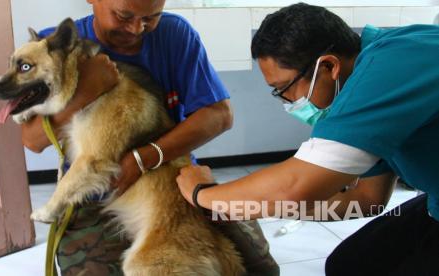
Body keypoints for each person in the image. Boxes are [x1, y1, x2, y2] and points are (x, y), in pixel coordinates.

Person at [177, 3, 439, 275]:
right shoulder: (365, 87)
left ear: (328, 66)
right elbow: (367, 197)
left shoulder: (392, 66)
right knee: (348, 264)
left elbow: (295, 185)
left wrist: (202, 194)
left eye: (284, 88)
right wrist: (252, 207)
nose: (287, 101)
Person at [21, 0, 279, 275]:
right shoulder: (57, 47)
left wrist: (146, 157)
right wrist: (88, 91)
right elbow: (33, 140)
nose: (136, 29)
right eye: (123, 15)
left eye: (151, 18)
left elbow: (219, 115)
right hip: (90, 188)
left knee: (260, 268)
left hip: (171, 178)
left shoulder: (174, 33)